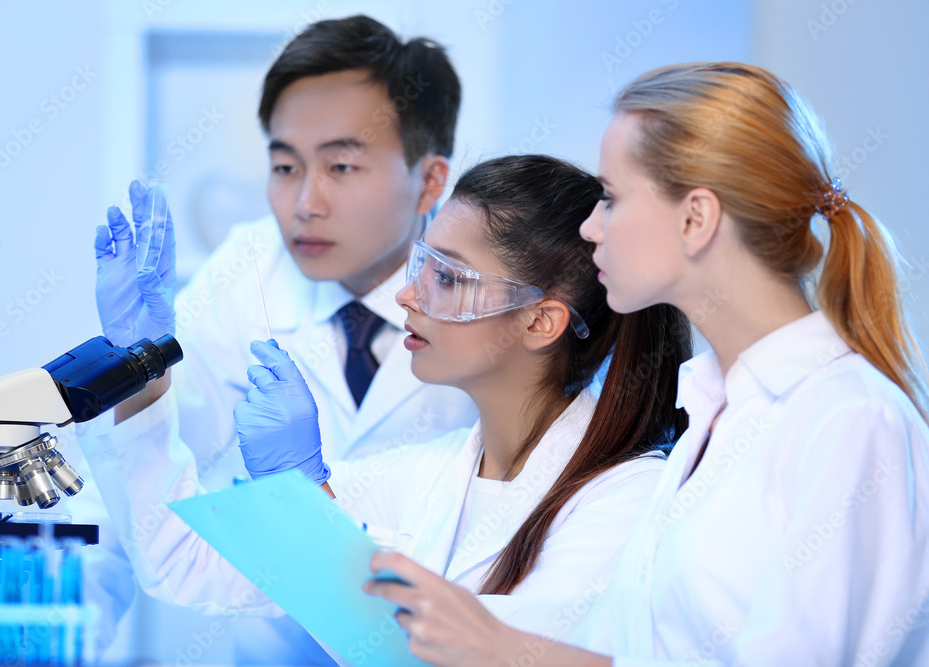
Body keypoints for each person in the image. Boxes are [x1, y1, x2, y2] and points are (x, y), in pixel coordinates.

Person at [361, 62, 929, 666]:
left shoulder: (849, 420)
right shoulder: (714, 421)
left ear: (696, 218)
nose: (590, 225)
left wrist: (505, 651)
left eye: (612, 198)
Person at [77, 154, 693, 662]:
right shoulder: (425, 474)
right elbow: (180, 561)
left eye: (447, 277)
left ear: (540, 319)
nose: (406, 294)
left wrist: (305, 501)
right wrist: (140, 371)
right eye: (421, 264)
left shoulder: (625, 500)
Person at [91, 15, 477, 664]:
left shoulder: (491, 289)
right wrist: (141, 373)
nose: (305, 203)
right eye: (285, 165)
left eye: (343, 166)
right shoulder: (248, 269)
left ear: (430, 181)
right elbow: (141, 508)